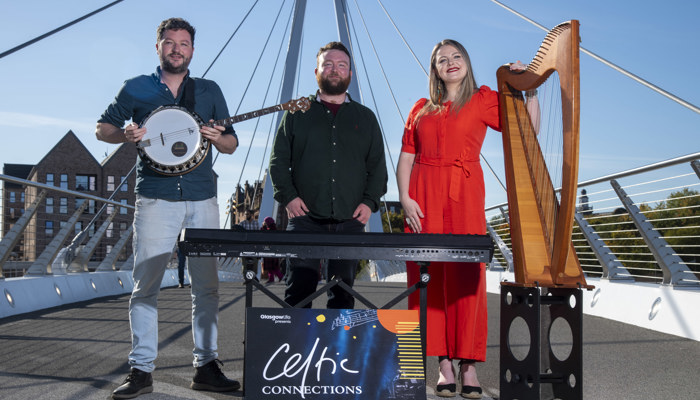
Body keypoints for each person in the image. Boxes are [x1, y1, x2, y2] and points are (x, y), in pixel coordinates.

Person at [95, 18, 240, 399]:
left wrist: (217, 136)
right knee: (145, 286)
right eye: (170, 42)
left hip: (202, 197)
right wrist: (124, 134)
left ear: (193, 50)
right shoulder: (136, 88)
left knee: (206, 287)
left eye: (184, 43)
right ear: (158, 47)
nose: (177, 49)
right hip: (156, 197)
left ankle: (206, 366)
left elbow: (231, 145)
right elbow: (101, 129)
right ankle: (141, 371)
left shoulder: (210, 91)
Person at [396, 39, 536, 399]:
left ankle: (468, 364)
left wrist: (530, 92)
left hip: (464, 195)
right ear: (435, 69)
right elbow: (406, 158)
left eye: (456, 56)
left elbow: (526, 130)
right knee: (428, 277)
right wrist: (405, 198)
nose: (450, 63)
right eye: (442, 60)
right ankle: (443, 363)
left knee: (467, 278)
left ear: (467, 63)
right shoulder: (419, 109)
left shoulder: (483, 99)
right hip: (424, 197)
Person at [269, 41, 388, 309]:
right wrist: (288, 197)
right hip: (304, 219)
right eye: (328, 64)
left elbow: (378, 166)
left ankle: (337, 351)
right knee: (298, 294)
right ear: (316, 72)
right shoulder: (296, 115)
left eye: (341, 65)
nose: (335, 70)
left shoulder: (366, 118)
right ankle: (297, 349)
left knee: (343, 296)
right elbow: (277, 161)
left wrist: (370, 202)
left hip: (350, 219)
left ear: (350, 74)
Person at [260, 216, 284, 283]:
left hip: (269, 249)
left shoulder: (269, 230)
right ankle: (274, 278)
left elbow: (263, 235)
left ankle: (279, 277)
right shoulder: (273, 229)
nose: (264, 223)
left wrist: (263, 228)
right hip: (274, 250)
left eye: (265, 222)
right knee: (273, 266)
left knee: (271, 266)